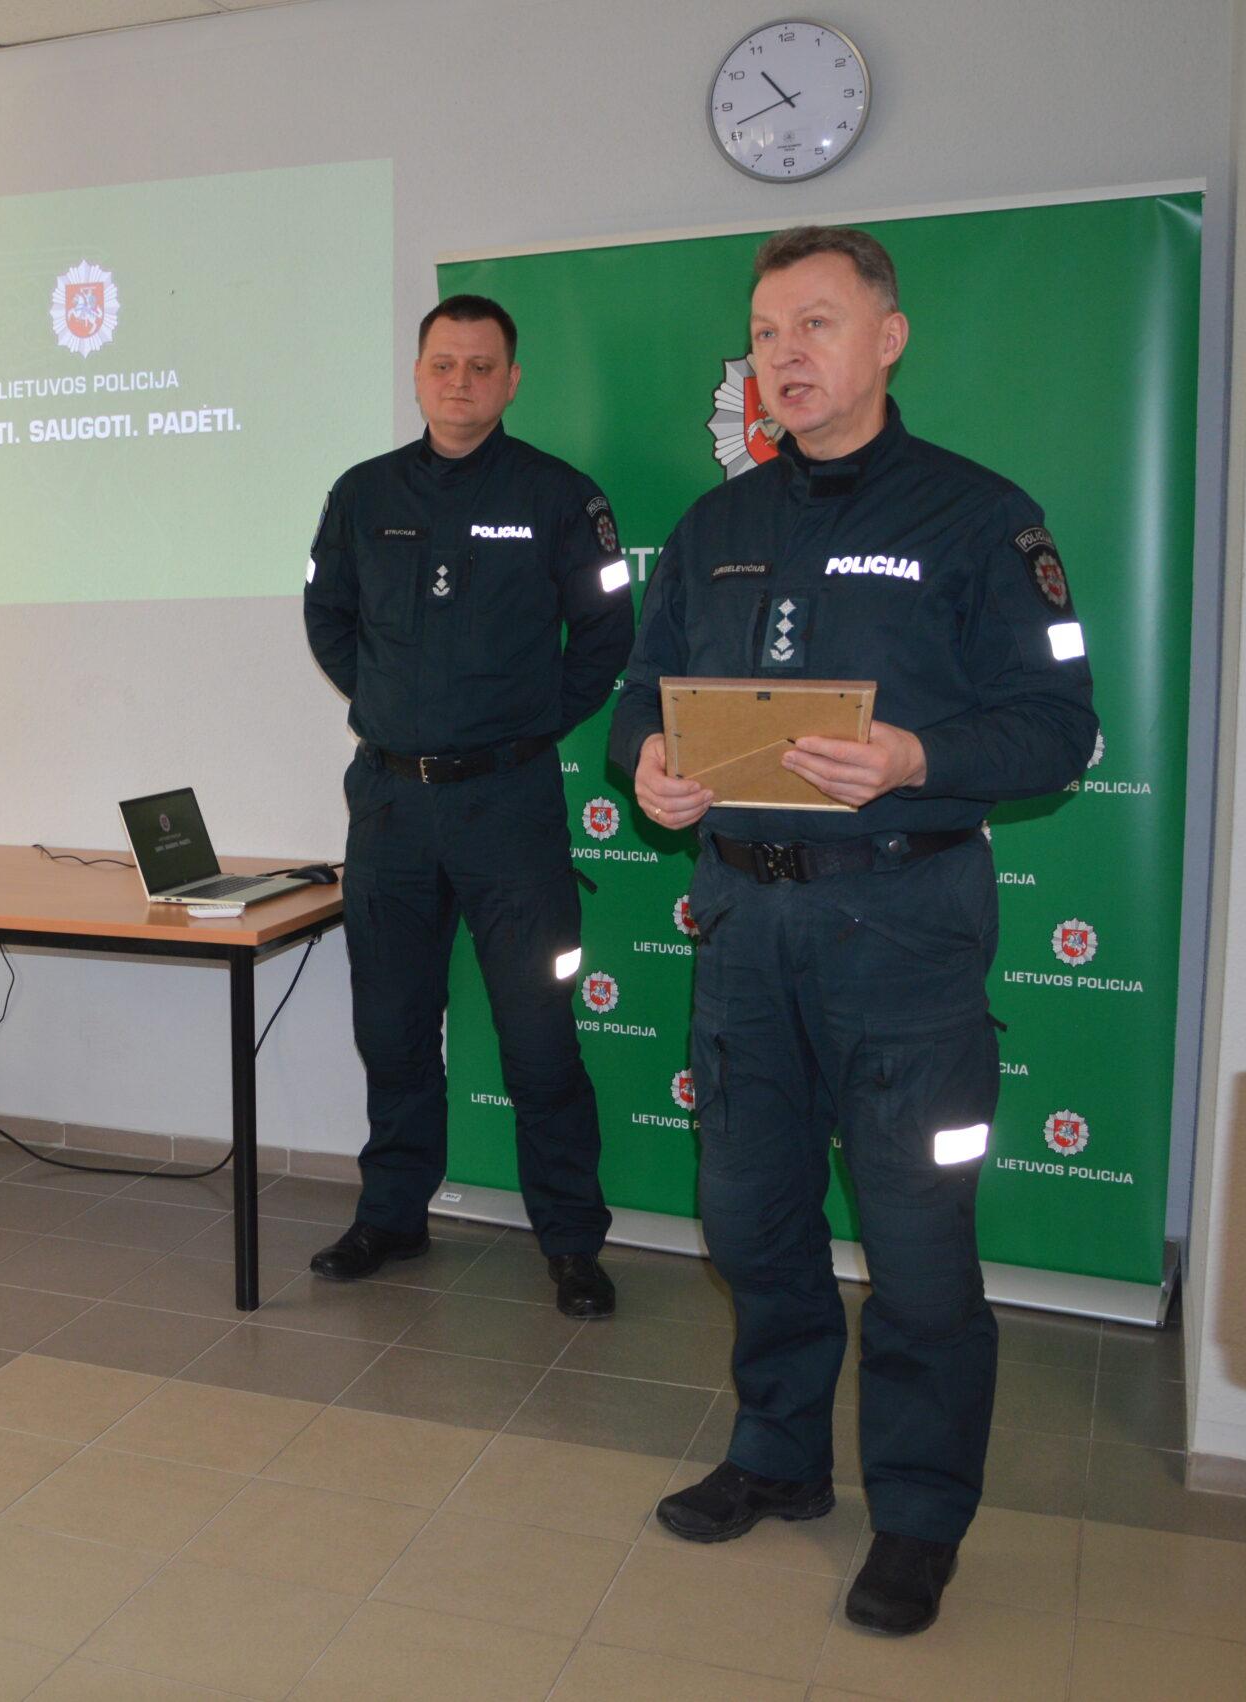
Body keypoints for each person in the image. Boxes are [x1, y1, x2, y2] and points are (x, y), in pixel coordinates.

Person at [609, 226, 1097, 1635]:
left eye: (815, 325)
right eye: (766, 333)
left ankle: (921, 1515)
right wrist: (646, 765)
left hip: (904, 932)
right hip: (744, 929)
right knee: (748, 1216)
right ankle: (778, 1455)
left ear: (888, 337)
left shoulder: (981, 517)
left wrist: (915, 758)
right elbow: (640, 695)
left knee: (919, 1247)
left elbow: (1060, 728)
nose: (786, 355)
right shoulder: (714, 527)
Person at [302, 295, 636, 1318]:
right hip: (391, 807)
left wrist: (525, 723)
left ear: (511, 380)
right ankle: (393, 1215)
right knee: (393, 1026)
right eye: (443, 364)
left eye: (481, 366)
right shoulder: (362, 494)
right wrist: (389, 707)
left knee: (538, 1035)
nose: (460, 382)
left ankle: (570, 1241)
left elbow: (606, 637)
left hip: (509, 807)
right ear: (417, 374)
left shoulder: (560, 496)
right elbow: (328, 616)